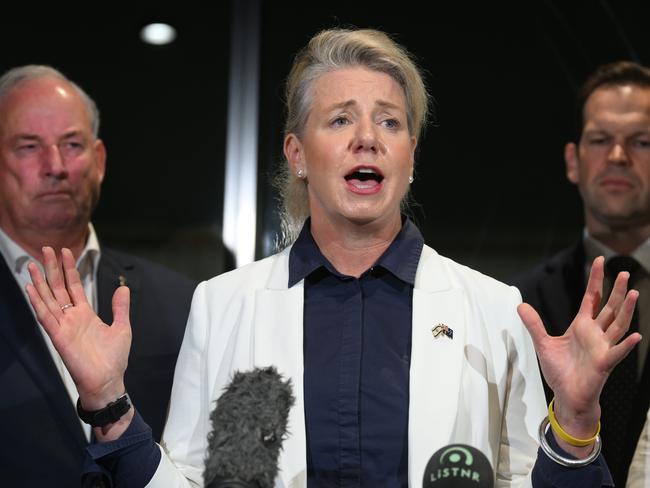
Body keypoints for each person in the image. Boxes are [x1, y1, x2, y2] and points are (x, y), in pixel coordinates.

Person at [26, 29, 638, 487]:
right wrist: (108, 401)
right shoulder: (222, 306)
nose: (366, 137)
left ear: (410, 155)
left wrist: (578, 423)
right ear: (296, 152)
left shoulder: (494, 308)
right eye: (340, 118)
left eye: (389, 122)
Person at [0, 65, 198, 486]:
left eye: (71, 144)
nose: (55, 166)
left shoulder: (183, 303)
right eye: (28, 146)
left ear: (100, 161)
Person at [510, 60, 650, 487]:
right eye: (600, 140)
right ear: (573, 160)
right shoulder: (520, 301)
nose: (618, 156)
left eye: (642, 141)